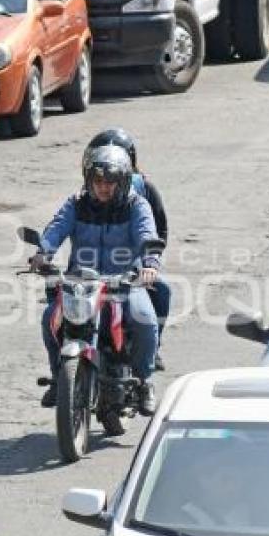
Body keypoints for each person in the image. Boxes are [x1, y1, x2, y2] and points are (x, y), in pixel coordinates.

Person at [31, 144, 161, 415]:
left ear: (123, 182)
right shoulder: (76, 203)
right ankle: (59, 377)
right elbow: (56, 228)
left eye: (110, 182)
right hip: (81, 282)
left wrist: (149, 264)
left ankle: (144, 381)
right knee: (49, 319)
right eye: (98, 181)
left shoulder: (137, 204)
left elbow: (147, 233)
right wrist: (43, 253)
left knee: (144, 319)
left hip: (123, 283)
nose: (103, 187)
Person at [84, 128, 171, 371]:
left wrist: (149, 263)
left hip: (133, 268)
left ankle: (151, 352)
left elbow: (158, 231)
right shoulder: (86, 195)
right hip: (92, 272)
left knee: (161, 291)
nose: (105, 186)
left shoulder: (144, 192)